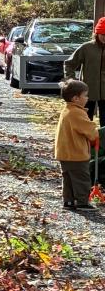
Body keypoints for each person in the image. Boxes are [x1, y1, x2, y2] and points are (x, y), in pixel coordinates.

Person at [54, 78, 99, 212]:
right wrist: (95, 131)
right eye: (85, 95)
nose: (87, 98)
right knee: (82, 179)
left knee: (68, 178)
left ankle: (68, 200)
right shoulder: (77, 113)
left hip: (64, 153)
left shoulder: (66, 111)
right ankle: (82, 202)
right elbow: (90, 131)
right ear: (76, 98)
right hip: (76, 153)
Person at [64, 17, 105, 125]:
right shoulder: (86, 48)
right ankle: (84, 142)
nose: (104, 37)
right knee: (85, 121)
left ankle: (102, 141)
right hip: (86, 92)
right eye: (103, 35)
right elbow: (69, 64)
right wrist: (71, 82)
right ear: (97, 33)